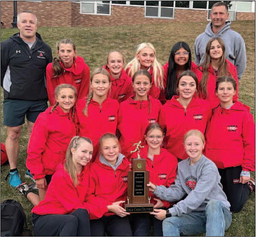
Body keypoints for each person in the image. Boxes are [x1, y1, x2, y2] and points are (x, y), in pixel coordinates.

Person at [1, 11, 52, 187]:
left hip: (38, 100)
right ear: (18, 25)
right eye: (24, 21)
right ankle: (13, 171)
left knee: (36, 135)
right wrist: (10, 89)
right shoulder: (6, 46)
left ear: (36, 25)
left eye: (32, 22)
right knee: (14, 133)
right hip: (14, 99)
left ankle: (32, 168)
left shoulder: (45, 49)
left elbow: (49, 75)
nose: (28, 24)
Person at [148, 130, 232, 237]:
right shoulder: (182, 166)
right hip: (197, 215)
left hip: (219, 215)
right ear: (184, 146)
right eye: (189, 144)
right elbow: (177, 192)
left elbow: (197, 196)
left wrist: (170, 212)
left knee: (213, 204)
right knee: (169, 222)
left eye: (196, 144)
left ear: (203, 145)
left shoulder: (209, 167)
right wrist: (156, 189)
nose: (193, 148)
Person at [31, 136, 107, 236]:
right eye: (84, 151)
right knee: (72, 219)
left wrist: (104, 205)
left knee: (82, 213)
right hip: (46, 219)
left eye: (90, 153)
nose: (88, 156)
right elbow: (74, 206)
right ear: (73, 150)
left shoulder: (86, 171)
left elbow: (89, 197)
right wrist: (106, 208)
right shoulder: (61, 175)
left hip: (67, 216)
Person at [205, 76, 255, 213]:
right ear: (216, 92)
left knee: (234, 206)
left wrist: (246, 169)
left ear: (234, 92)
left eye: (229, 89)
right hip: (214, 165)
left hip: (234, 165)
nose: (225, 92)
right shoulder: (213, 112)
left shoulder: (244, 114)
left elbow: (250, 143)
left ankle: (249, 185)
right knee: (211, 200)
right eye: (221, 89)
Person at [26, 84, 78, 202]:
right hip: (49, 170)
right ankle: (28, 192)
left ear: (75, 99)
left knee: (63, 204)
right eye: (63, 97)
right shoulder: (46, 118)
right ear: (56, 98)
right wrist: (39, 176)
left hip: (67, 169)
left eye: (71, 97)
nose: (67, 100)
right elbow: (34, 148)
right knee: (46, 208)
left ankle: (28, 190)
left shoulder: (75, 115)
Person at [130, 123, 178, 236]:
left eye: (158, 137)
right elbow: (130, 183)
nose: (155, 140)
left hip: (161, 205)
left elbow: (174, 186)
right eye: (151, 136)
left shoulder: (171, 159)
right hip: (140, 206)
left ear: (163, 138)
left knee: (161, 233)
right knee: (140, 232)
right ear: (145, 137)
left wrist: (165, 203)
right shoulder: (135, 156)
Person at [159, 70, 211, 161]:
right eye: (183, 84)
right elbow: (160, 135)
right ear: (177, 87)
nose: (187, 88)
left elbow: (209, 133)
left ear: (196, 88)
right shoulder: (166, 108)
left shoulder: (205, 107)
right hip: (173, 157)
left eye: (191, 85)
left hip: (197, 157)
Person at [89, 133, 132, 236]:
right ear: (100, 151)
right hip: (98, 213)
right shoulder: (93, 169)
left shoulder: (128, 167)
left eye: (114, 147)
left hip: (118, 214)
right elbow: (89, 196)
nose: (111, 151)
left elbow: (133, 191)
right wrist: (107, 206)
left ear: (119, 148)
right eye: (106, 148)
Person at [194, 1, 246, 79]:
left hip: (226, 86)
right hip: (204, 85)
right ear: (210, 15)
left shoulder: (236, 38)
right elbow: (197, 62)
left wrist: (234, 81)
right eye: (215, 13)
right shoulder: (200, 39)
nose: (218, 17)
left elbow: (241, 63)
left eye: (221, 13)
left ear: (227, 15)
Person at [118, 69, 162, 158]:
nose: (141, 86)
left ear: (150, 85)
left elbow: (162, 130)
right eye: (138, 83)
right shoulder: (123, 106)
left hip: (149, 156)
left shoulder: (157, 105)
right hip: (126, 156)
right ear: (133, 85)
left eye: (145, 83)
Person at [76, 68, 119, 158]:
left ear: (109, 85)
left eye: (104, 82)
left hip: (107, 156)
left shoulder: (115, 105)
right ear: (91, 85)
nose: (100, 86)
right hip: (86, 156)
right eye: (97, 82)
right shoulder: (80, 104)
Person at [46, 38, 90, 106]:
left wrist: (77, 110)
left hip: (76, 108)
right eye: (62, 51)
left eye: (69, 51)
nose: (65, 54)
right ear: (58, 52)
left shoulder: (84, 68)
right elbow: (52, 93)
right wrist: (57, 110)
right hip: (59, 108)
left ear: (74, 52)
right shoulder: (51, 68)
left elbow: (83, 94)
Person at [198, 37, 238, 108]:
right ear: (208, 51)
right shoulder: (201, 69)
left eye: (218, 47)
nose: (215, 50)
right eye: (212, 48)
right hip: (205, 109)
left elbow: (235, 92)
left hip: (224, 109)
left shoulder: (230, 68)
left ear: (222, 50)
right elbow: (198, 93)